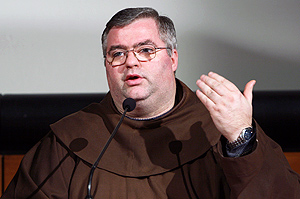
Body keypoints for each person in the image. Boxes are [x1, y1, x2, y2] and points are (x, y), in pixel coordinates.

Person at [2, 7, 300, 199]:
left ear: (173, 59)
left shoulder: (220, 127)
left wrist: (241, 141)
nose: (130, 61)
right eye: (117, 53)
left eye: (145, 50)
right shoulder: (71, 140)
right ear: (106, 65)